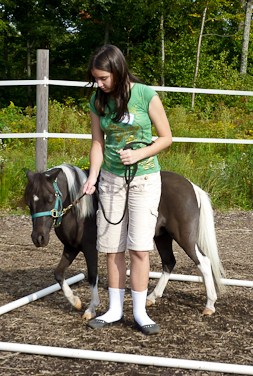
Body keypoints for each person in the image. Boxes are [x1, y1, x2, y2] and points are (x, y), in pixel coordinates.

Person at [82, 45, 172, 335]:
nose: (99, 84)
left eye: (103, 78)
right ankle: (114, 310)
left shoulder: (146, 95)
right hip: (110, 180)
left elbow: (166, 138)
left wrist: (139, 154)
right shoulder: (98, 100)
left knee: (139, 248)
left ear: (118, 71)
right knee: (111, 247)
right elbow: (97, 142)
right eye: (96, 78)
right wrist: (93, 176)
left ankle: (140, 312)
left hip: (144, 179)